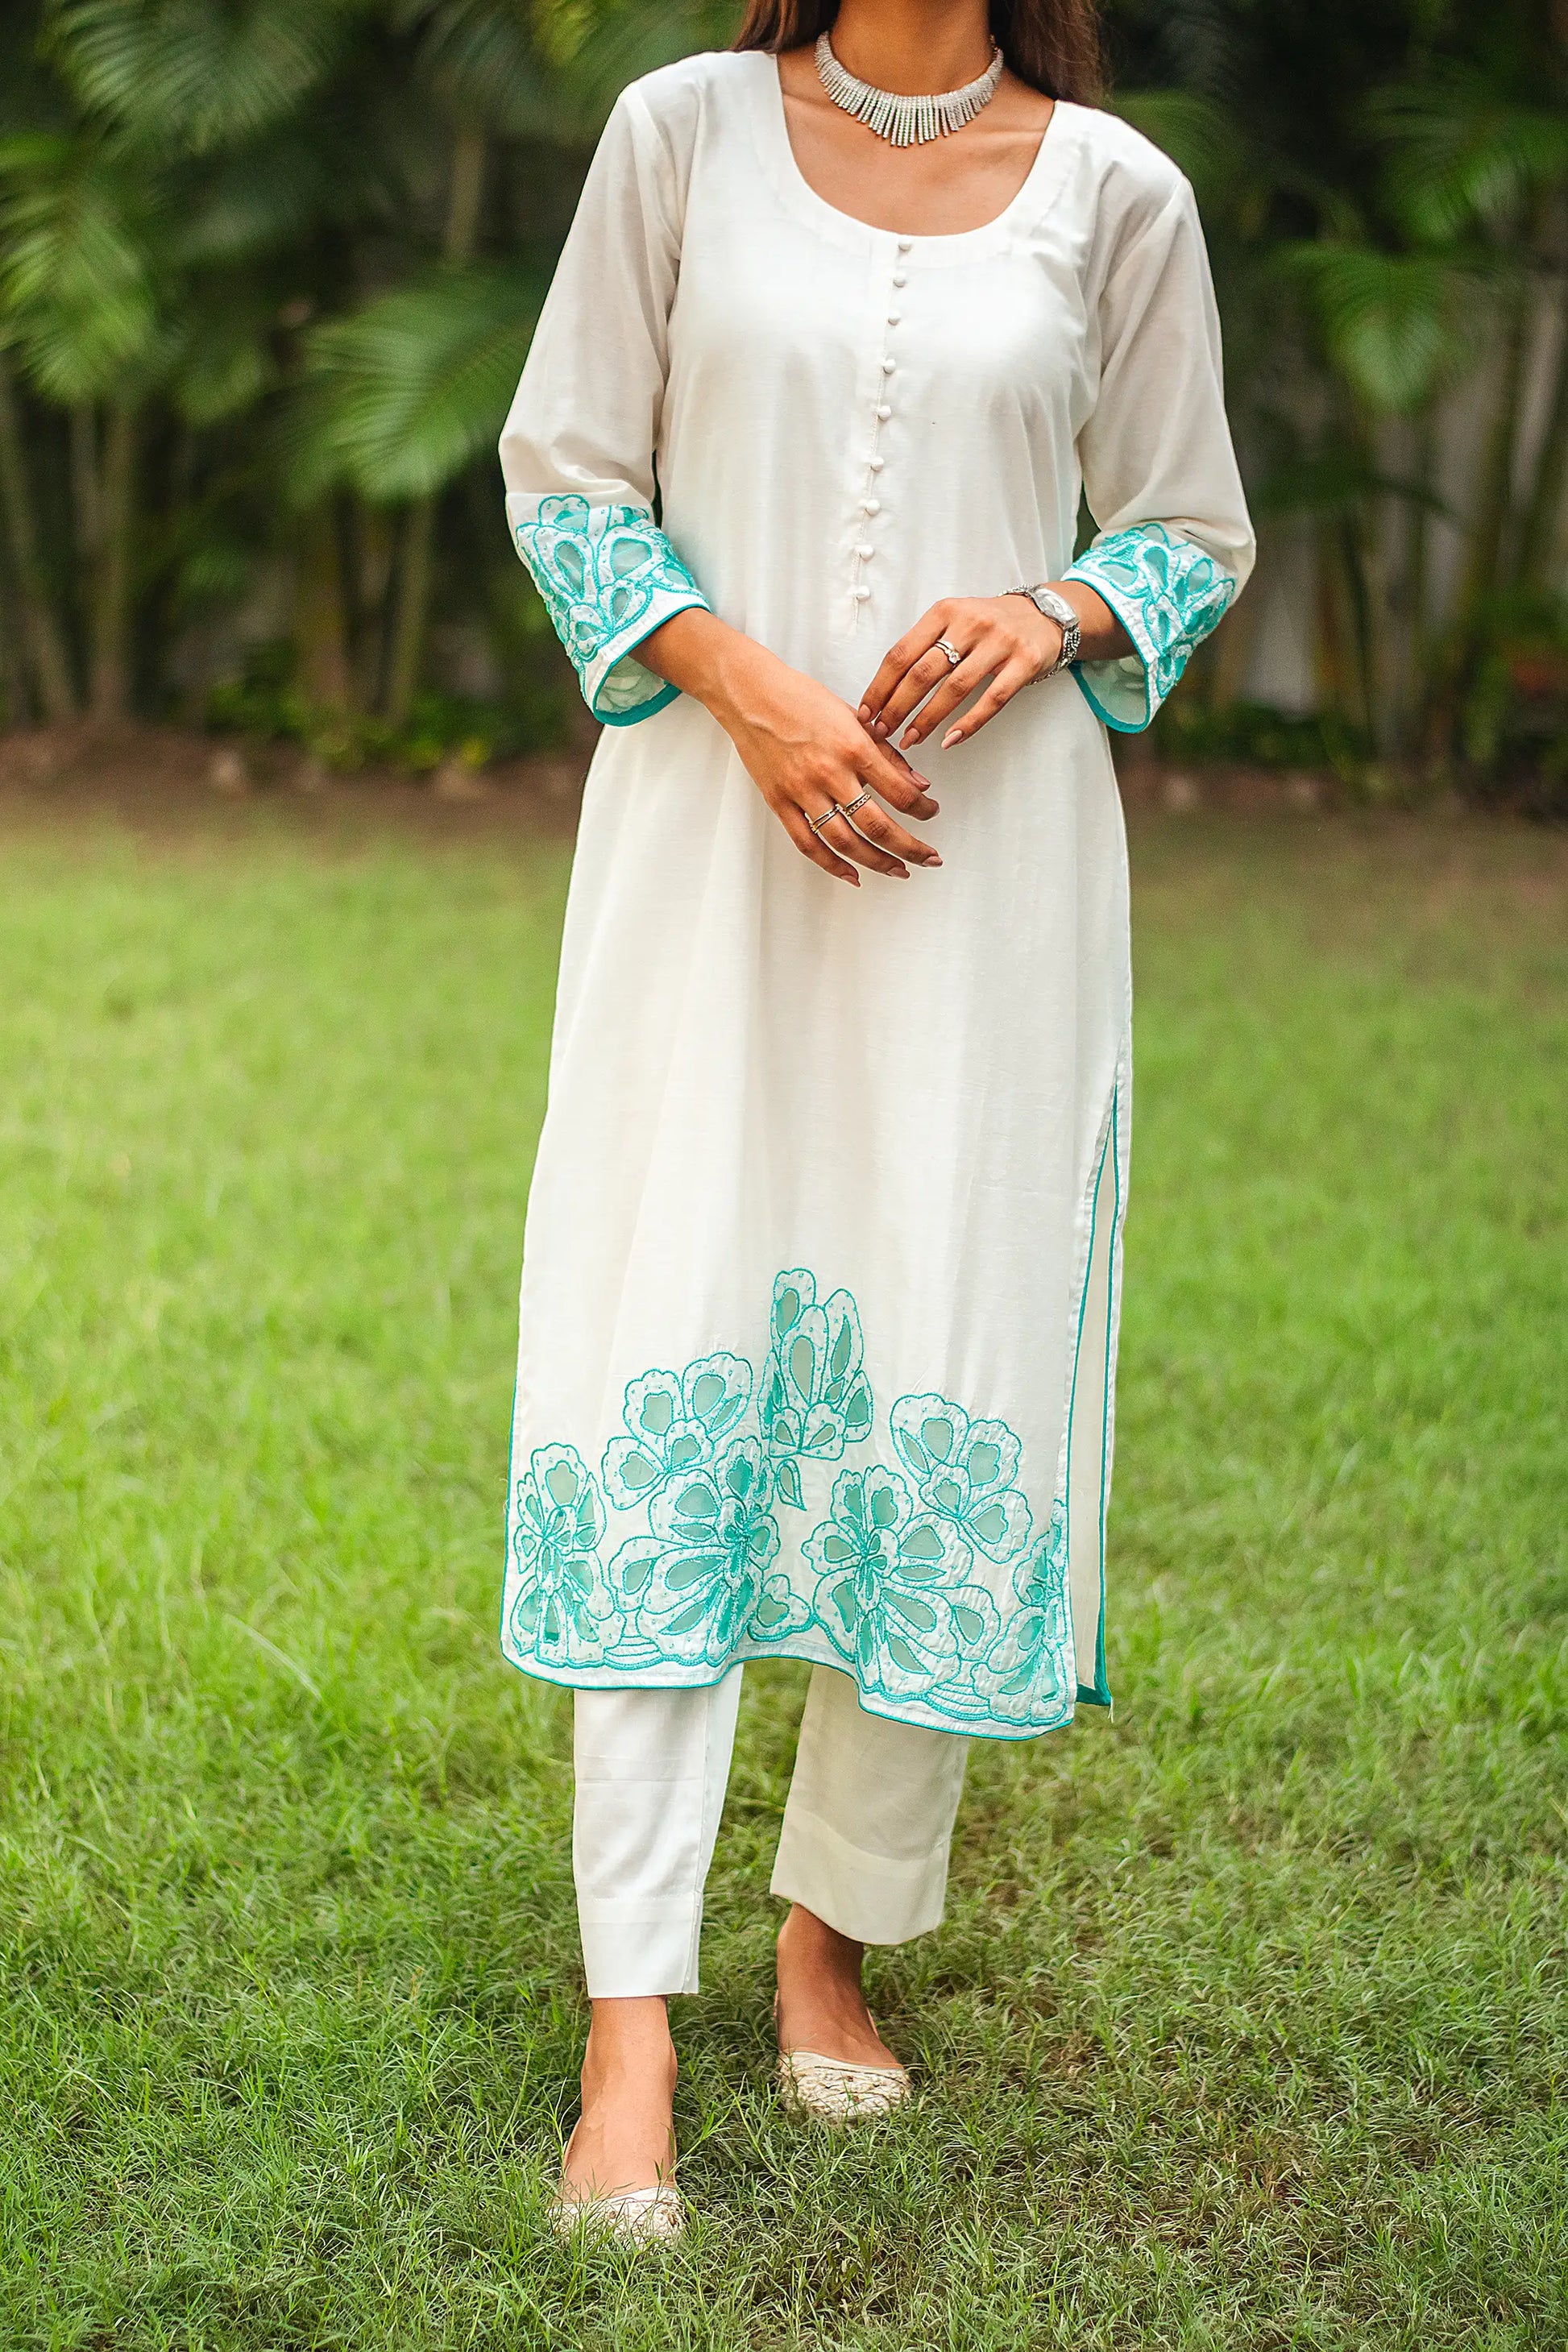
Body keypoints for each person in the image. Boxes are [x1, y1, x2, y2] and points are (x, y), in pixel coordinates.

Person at [497, 0, 1253, 2242]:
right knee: (658, 1346)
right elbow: (564, 473)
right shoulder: (676, 133)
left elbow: (1188, 529)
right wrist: (740, 688)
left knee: (941, 1352)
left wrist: (1053, 607)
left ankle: (821, 1941)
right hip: (702, 850)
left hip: (983, 877)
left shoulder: (1117, 191)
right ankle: (628, 2019)